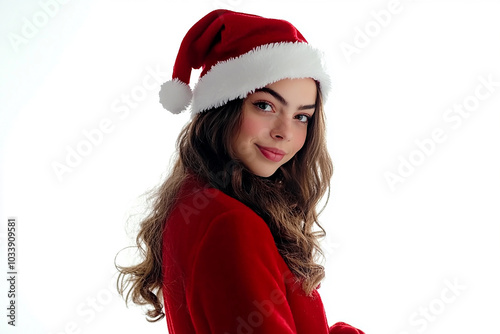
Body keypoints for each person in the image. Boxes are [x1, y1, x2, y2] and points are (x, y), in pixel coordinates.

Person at [116, 9, 364, 334]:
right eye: (265, 106)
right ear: (223, 107)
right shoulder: (231, 224)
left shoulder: (197, 199)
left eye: (302, 116)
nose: (284, 132)